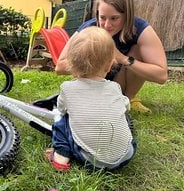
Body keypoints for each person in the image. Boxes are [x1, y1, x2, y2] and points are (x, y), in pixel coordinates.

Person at [55, 0, 168, 114]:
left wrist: (123, 59)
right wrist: (91, 59)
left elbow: (161, 76)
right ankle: (94, 97)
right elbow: (60, 67)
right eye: (102, 17)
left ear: (127, 15)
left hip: (121, 84)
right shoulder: (89, 29)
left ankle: (129, 99)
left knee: (137, 50)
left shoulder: (141, 30)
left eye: (114, 18)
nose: (107, 25)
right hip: (92, 85)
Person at [46, 26, 136, 171]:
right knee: (121, 115)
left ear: (72, 64)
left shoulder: (67, 88)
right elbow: (126, 106)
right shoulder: (115, 87)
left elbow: (62, 109)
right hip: (126, 155)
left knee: (60, 119)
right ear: (108, 66)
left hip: (90, 160)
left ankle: (61, 158)